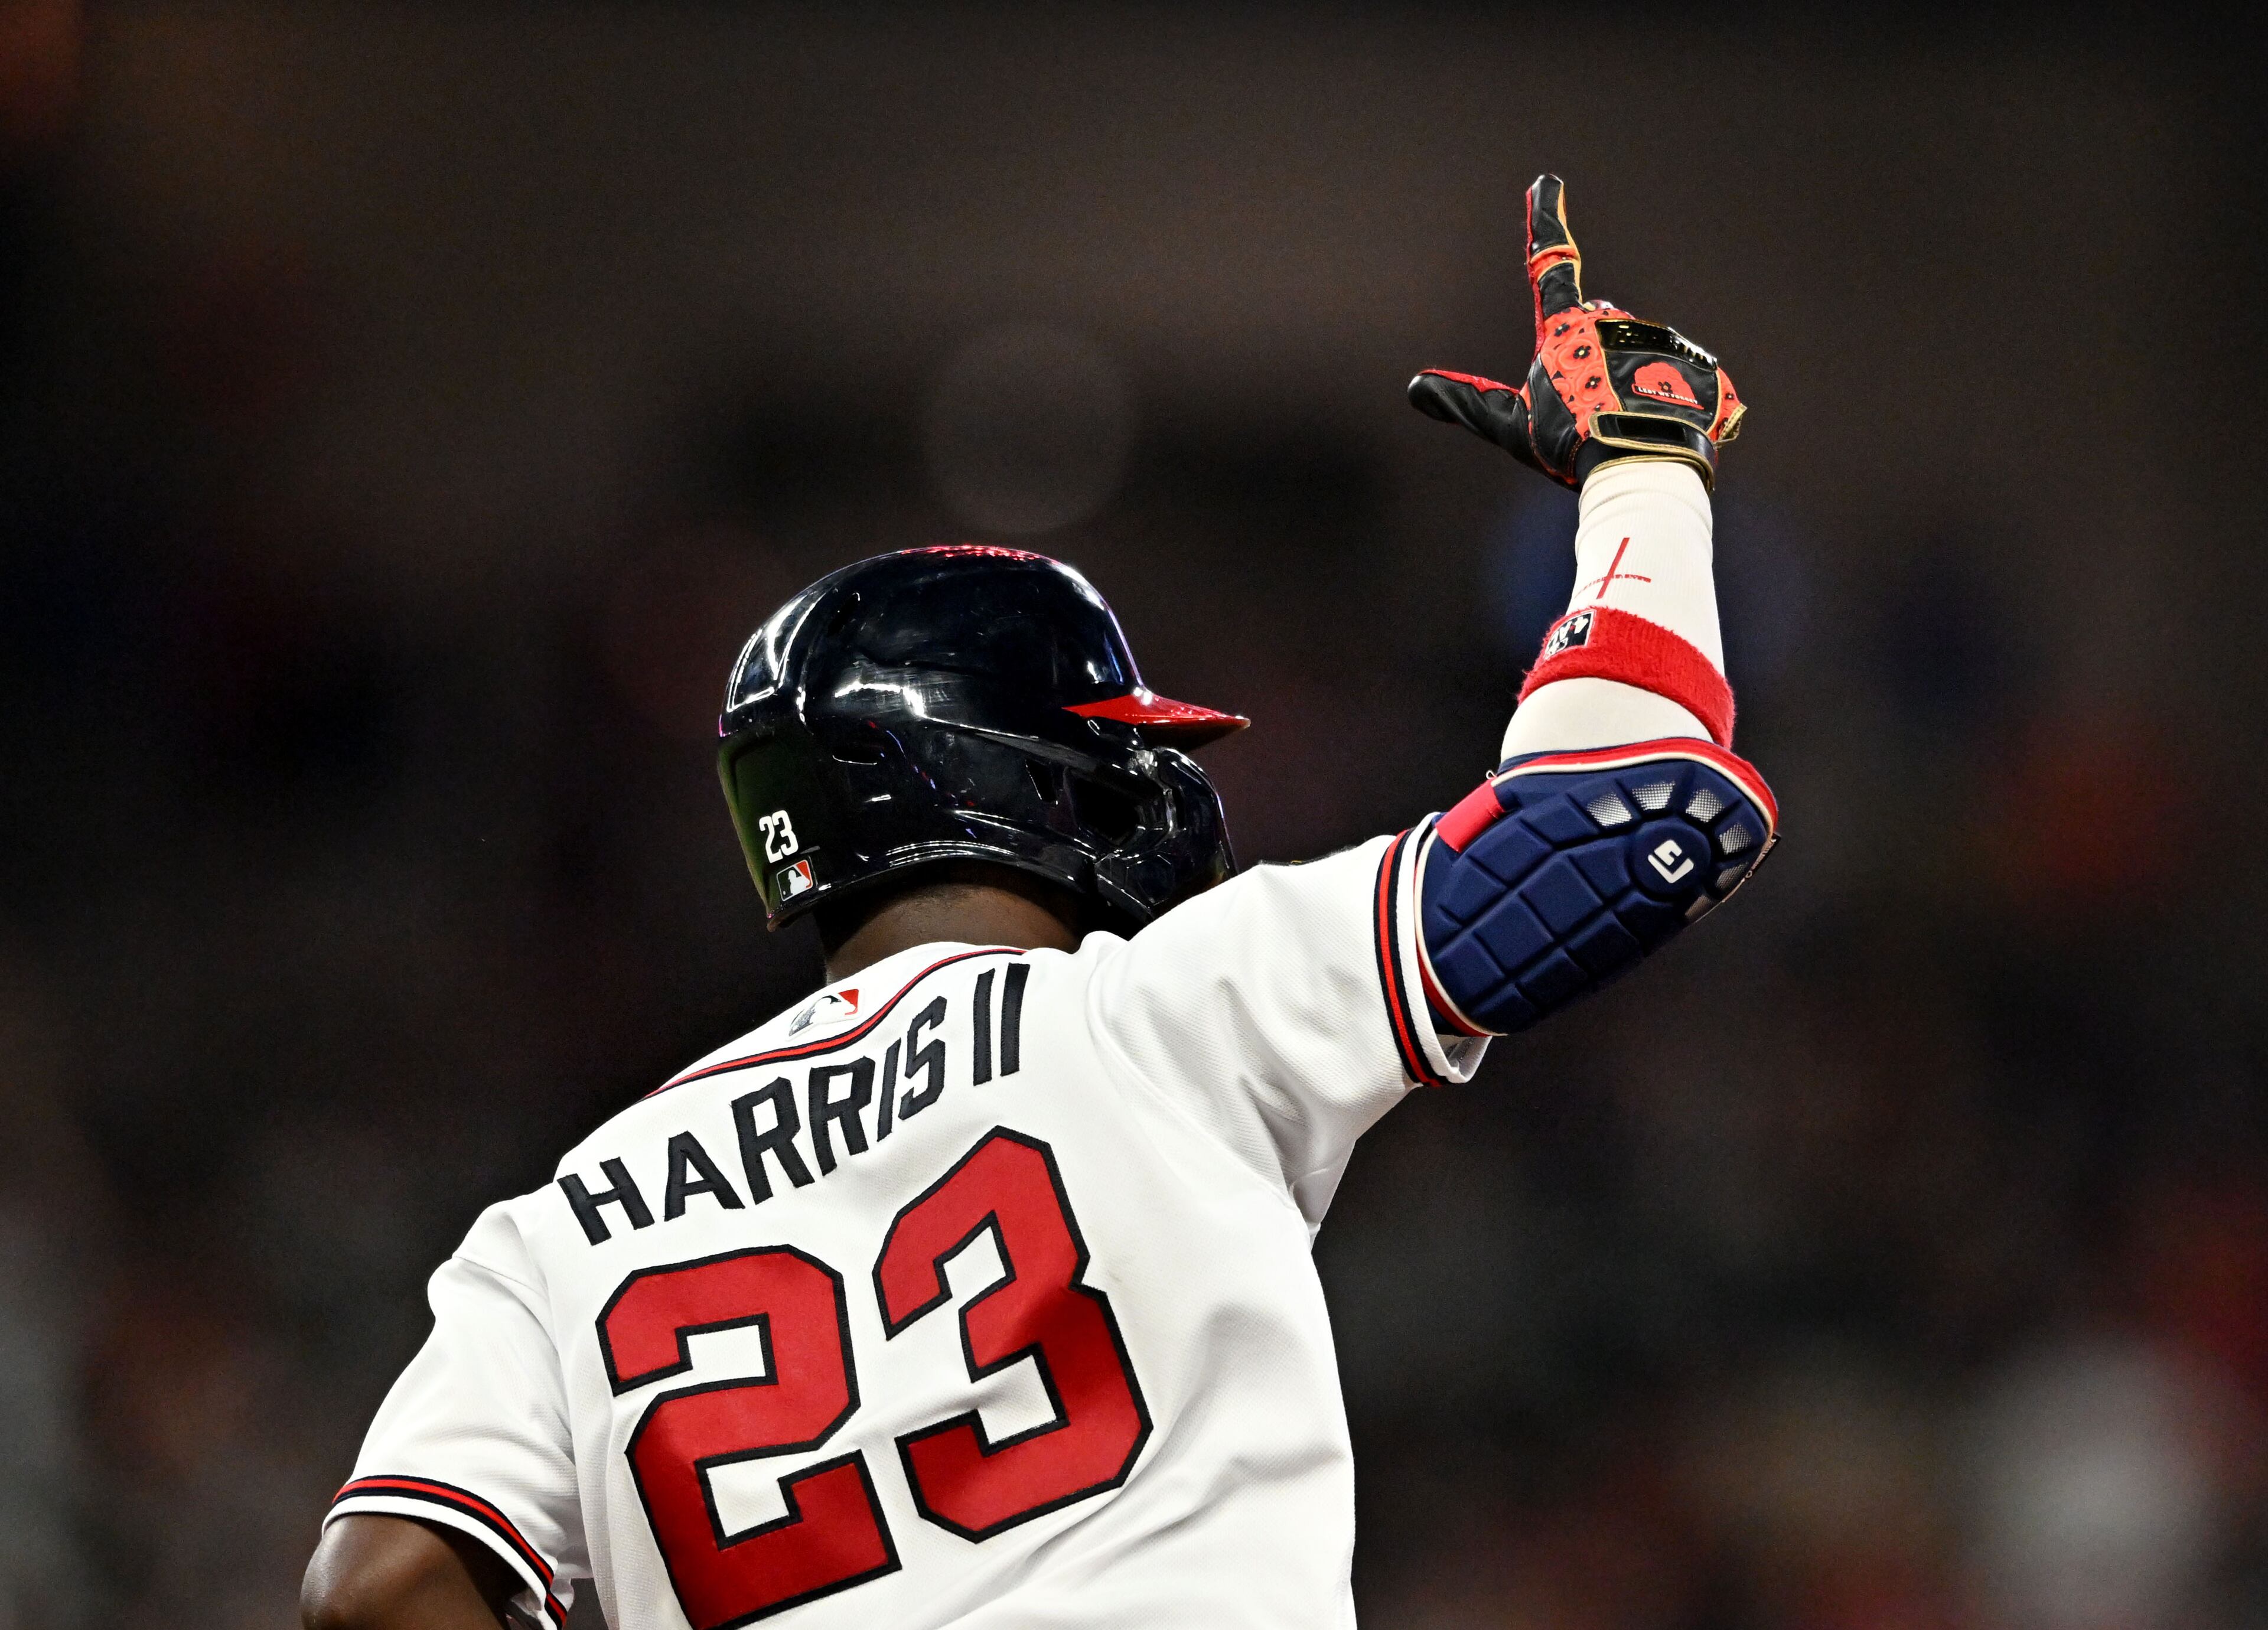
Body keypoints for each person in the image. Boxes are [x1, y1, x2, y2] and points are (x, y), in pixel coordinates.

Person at [301, 174, 1773, 1630]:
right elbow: (1618, 825)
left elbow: (377, 1589)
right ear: (1021, 781)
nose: (1153, 792)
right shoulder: (1154, 1016)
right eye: (1118, 754)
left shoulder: (565, 1225)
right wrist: (1645, 473)